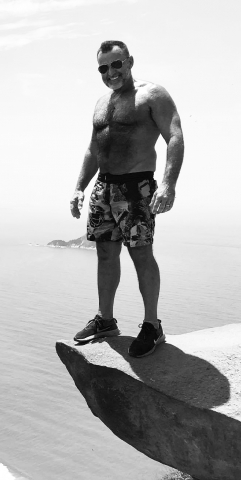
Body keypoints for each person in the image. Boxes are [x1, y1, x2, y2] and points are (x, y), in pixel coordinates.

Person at [70, 40, 184, 358]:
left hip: (136, 187)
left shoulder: (152, 95)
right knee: (106, 254)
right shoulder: (101, 104)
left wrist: (168, 184)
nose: (111, 72)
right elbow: (94, 148)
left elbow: (175, 136)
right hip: (104, 187)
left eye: (116, 64)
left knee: (141, 254)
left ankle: (152, 326)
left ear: (130, 62)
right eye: (103, 67)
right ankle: (105, 320)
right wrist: (79, 187)